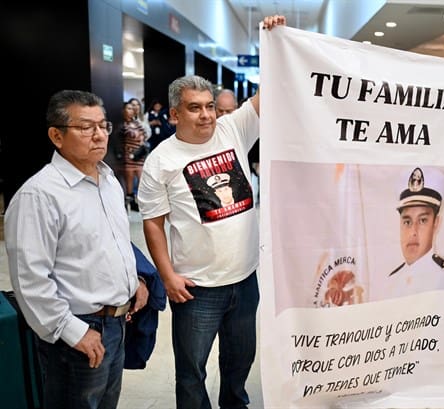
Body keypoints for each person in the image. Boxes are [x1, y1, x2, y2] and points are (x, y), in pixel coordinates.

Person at [137, 15, 286, 409]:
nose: (206, 115)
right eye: (194, 109)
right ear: (174, 115)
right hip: (197, 288)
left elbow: (271, 92)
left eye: (209, 107)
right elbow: (152, 223)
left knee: (239, 365)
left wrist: (272, 39)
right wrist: (167, 275)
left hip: (244, 279)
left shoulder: (232, 129)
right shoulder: (161, 161)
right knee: (192, 373)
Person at [4, 90, 149, 409]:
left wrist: (134, 280)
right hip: (77, 331)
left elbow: (108, 243)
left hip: (115, 324)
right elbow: (30, 280)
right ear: (56, 135)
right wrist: (74, 332)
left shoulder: (109, 181)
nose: (98, 135)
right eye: (85, 127)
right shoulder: (40, 195)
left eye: (103, 125)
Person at [386, 166, 444, 297]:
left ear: (436, 223)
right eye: (407, 222)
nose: (413, 232)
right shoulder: (392, 279)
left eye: (422, 220)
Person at [119, 101, 147, 211]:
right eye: (129, 108)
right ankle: (130, 202)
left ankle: (138, 201)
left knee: (141, 179)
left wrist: (138, 137)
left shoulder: (136, 123)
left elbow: (144, 134)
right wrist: (137, 136)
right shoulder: (122, 125)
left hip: (139, 156)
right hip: (128, 157)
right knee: (129, 181)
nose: (132, 110)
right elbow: (131, 135)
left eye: (132, 108)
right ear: (123, 110)